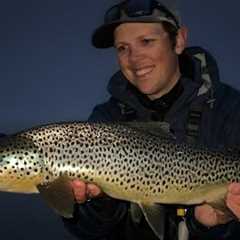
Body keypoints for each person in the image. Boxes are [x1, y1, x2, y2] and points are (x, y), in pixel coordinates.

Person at [62, 0, 240, 239]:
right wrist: (98, 203)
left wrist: (212, 224)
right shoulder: (105, 121)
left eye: (146, 42)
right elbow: (88, 230)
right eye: (122, 48)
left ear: (178, 41)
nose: (134, 58)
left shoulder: (231, 110)